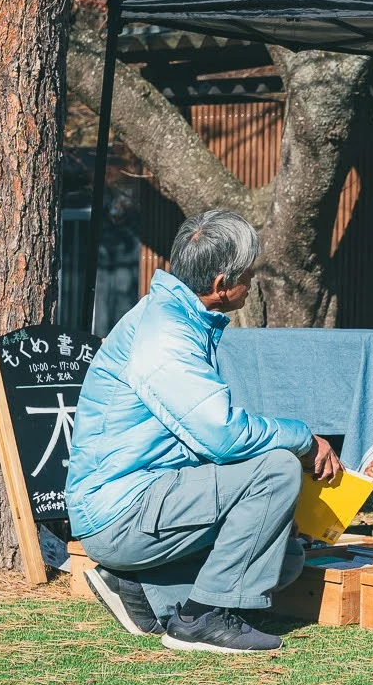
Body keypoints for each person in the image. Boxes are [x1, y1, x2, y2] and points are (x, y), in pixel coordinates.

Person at [66, 209, 342, 654]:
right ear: (220, 285)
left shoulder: (175, 317)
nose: (251, 286)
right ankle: (201, 618)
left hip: (142, 499)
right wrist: (305, 440)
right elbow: (222, 435)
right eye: (248, 277)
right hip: (123, 511)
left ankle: (139, 588)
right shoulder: (166, 336)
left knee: (283, 559)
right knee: (275, 471)